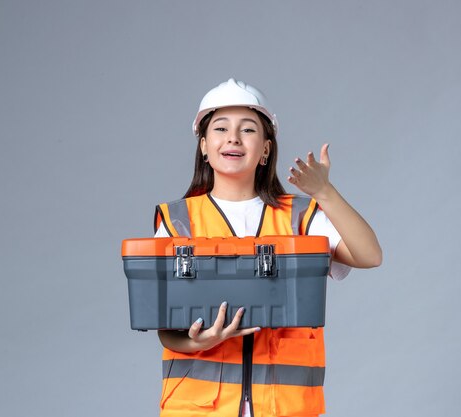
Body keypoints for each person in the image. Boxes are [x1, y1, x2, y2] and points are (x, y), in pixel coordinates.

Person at [153, 78, 382, 417]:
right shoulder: (177, 221)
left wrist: (325, 193)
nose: (233, 137)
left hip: (284, 408)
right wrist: (196, 342)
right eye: (220, 128)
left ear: (265, 149)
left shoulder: (301, 217)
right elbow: (165, 328)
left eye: (248, 129)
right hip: (200, 409)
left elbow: (370, 255)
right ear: (203, 145)